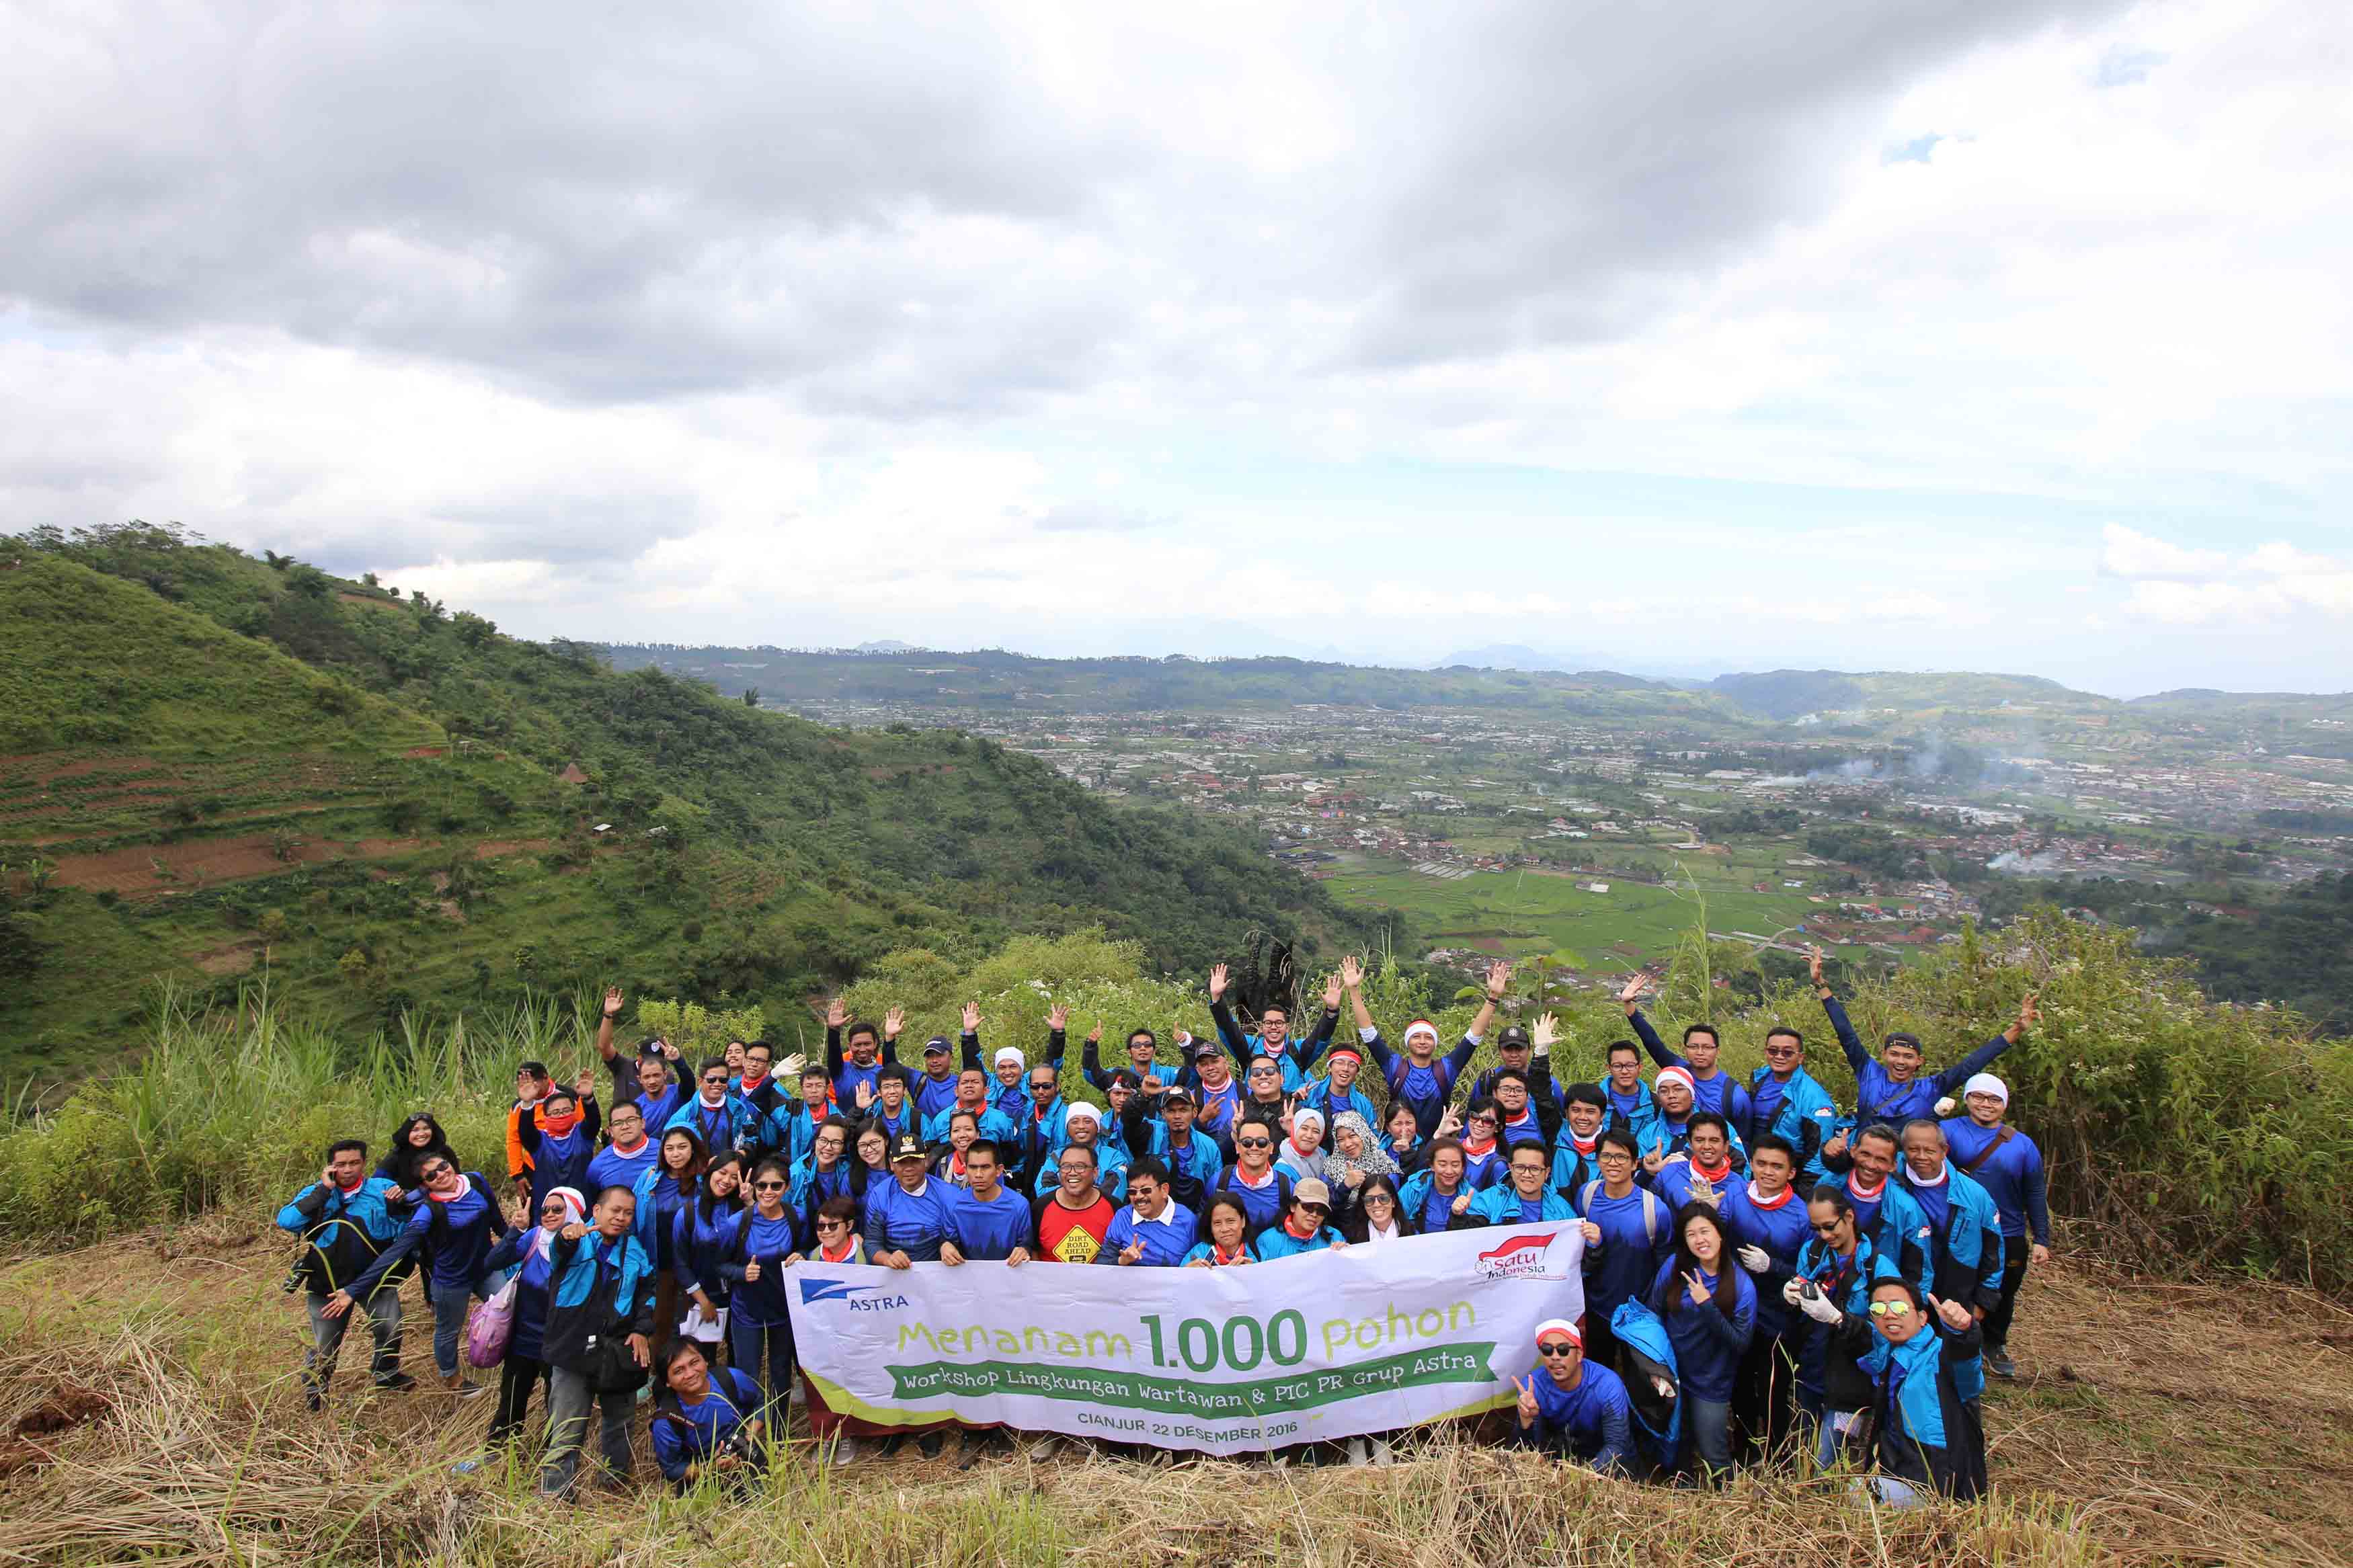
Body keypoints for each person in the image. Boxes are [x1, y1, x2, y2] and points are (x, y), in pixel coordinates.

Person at [343, 1151, 510, 1398]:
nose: (441, 1174)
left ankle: (506, 1358)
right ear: (425, 1185)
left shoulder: (475, 1181)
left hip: (486, 1268)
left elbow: (496, 1220)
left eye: (443, 1167)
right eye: (431, 1175)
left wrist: (515, 1246)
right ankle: (451, 1376)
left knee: (506, 1312)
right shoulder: (429, 1210)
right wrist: (353, 1290)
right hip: (451, 1280)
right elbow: (398, 1251)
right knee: (448, 1329)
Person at [538, 1186, 657, 1499]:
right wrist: (567, 1235)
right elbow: (559, 1250)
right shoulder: (576, 1242)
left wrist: (642, 1329)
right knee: (567, 1425)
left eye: (627, 1213)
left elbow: (648, 1292)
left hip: (617, 1348)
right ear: (597, 1211)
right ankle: (555, 1494)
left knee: (620, 1422)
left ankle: (613, 1487)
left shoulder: (635, 1251)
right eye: (614, 1210)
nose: (620, 1218)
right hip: (572, 1347)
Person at [276, 1140, 414, 1407]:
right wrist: (323, 1191)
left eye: (354, 1163)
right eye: (341, 1165)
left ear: (364, 1163)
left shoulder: (383, 1190)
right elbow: (287, 1221)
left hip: (373, 1280)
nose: (348, 1169)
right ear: (330, 1167)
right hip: (326, 1283)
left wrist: (398, 1209)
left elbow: (402, 1235)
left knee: (391, 1328)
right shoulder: (317, 1193)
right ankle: (317, 1393)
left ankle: (386, 1373)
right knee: (326, 1345)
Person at [1816, 962, 2038, 1126]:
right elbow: (1846, 1034)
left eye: (1908, 1056)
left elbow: (1973, 1064)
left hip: (1907, 1169)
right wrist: (1820, 984)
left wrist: (2016, 1029)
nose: (1900, 1061)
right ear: (1884, 1055)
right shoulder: (1868, 1072)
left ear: (1920, 1061)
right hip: (1864, 1163)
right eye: (1895, 1054)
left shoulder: (1932, 1087)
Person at [1936, 1073, 2050, 1378]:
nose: (1986, 1104)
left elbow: (2035, 1193)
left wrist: (2042, 1238)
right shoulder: (1946, 1131)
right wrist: (1933, 1112)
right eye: (1979, 1097)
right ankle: (1955, 1340)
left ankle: (1994, 1343)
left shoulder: (2022, 1145)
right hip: (1959, 1228)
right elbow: (1913, 1142)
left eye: (1994, 1099)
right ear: (1967, 1099)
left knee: (2003, 1291)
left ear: (2004, 1105)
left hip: (2008, 1232)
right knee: (1958, 1286)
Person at [1841, 1279, 1988, 1503]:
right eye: (1878, 1309)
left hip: (1941, 1486)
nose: (1889, 1315)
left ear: (1922, 1317)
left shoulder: (1941, 1356)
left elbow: (1967, 1366)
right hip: (1899, 1472)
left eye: (1899, 1307)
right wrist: (1836, 1319)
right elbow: (1864, 1335)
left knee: (1857, 1494)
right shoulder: (1890, 1355)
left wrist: (1962, 1333)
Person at [1783, 1185, 1897, 1471]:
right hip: (1812, 1370)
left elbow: (1888, 1334)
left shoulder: (1877, 1268)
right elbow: (1804, 1285)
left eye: (1830, 1226)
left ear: (1849, 1217)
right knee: (1804, 1456)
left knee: (1829, 1461)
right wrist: (1792, 1294)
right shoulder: (1813, 1252)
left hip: (1852, 1386)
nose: (1824, 1235)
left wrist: (1838, 1319)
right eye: (1816, 1228)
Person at [1718, 1133, 1811, 1464]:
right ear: (1751, 1165)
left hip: (1778, 1316)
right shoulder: (1735, 1195)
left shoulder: (1802, 1215)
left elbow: (1809, 1271)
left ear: (1791, 1173)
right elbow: (1718, 1236)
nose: (1768, 1172)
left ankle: (1776, 1453)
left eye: (1777, 1166)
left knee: (1773, 1387)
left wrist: (1773, 1267)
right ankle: (1743, 1444)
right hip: (1738, 1309)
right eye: (1761, 1164)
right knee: (1740, 1382)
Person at [1647, 1204, 1755, 1481]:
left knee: (1714, 1454)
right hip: (1674, 1375)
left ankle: (1728, 1504)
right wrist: (1655, 1368)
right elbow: (1653, 1313)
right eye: (1691, 1234)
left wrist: (1707, 1305)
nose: (1700, 1240)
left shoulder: (1742, 1286)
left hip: (1711, 1382)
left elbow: (1741, 1343)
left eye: (1705, 1231)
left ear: (1720, 1234)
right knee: (1677, 1445)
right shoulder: (1674, 1268)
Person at [1350, 954, 1505, 1140]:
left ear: (1435, 1043)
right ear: (1408, 1042)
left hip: (1437, 1149)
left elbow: (1472, 1037)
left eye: (1428, 1037)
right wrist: (1353, 990)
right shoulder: (1395, 1066)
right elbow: (1369, 1033)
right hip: (1400, 1147)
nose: (1422, 1041)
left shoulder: (1446, 1069)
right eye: (1416, 1037)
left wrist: (1493, 998)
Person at [481, 1185, 582, 1447]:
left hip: (559, 1343)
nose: (548, 1214)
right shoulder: (535, 1237)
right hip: (523, 1341)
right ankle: (498, 1450)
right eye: (545, 1209)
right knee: (511, 1400)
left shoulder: (585, 1245)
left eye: (557, 1210)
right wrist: (516, 1231)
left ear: (574, 1211)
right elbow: (492, 1263)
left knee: (556, 1405)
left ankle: (551, 1461)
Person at [1576, 1129, 1672, 1378]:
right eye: (1606, 1156)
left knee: (1639, 1381)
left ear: (1634, 1163)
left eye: (1621, 1157)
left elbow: (1665, 1265)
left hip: (1638, 1311)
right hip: (1595, 1308)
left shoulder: (1655, 1210)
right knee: (1599, 1375)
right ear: (1597, 1160)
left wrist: (1655, 1310)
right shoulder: (1586, 1195)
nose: (1613, 1163)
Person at [1895, 1118, 2006, 1325]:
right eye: (1913, 1149)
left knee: (1953, 1350)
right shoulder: (1891, 1183)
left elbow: (1993, 1248)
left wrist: (1984, 1300)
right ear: (1903, 1150)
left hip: (1957, 1286)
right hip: (1906, 1287)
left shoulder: (1974, 1195)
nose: (1921, 1157)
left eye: (1929, 1150)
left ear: (1944, 1150)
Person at [719, 1159, 804, 1419]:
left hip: (783, 1308)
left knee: (780, 1373)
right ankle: (751, 1430)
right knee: (748, 1375)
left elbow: (807, 1247)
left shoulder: (796, 1217)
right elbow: (719, 1265)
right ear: (753, 1187)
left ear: (787, 1187)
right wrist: (741, 1273)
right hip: (747, 1310)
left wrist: (801, 1255)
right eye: (762, 1185)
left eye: (776, 1186)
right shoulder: (737, 1223)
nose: (768, 1191)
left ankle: (778, 1430)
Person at [786, 1195, 869, 1462]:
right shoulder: (811, 1257)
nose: (826, 1232)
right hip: (823, 1336)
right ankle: (827, 1435)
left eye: (833, 1226)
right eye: (821, 1226)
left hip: (855, 1335)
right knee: (822, 1388)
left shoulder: (862, 1255)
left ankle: (850, 1434)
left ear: (850, 1226)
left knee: (851, 1385)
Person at [1621, 975, 1752, 1128]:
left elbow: (1744, 1138)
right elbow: (1651, 1041)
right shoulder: (1679, 1071)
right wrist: (1628, 1004)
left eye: (1707, 1047)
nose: (1700, 1052)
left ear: (1718, 1051)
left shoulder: (1733, 1095)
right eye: (1694, 1047)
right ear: (1685, 1050)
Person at [1510, 1319, 1634, 1475]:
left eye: (1563, 1350)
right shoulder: (1532, 1388)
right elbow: (1525, 1452)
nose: (1555, 1357)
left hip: (1604, 1468)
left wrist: (1578, 1478)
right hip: (1557, 1465)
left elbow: (1617, 1446)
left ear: (1579, 1354)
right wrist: (1526, 1422)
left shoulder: (1607, 1386)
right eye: (1548, 1350)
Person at [1745, 989, 1840, 1190]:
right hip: (1756, 1166)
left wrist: (1805, 1191)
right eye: (1773, 1051)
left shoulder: (1814, 1098)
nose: (1779, 1056)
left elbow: (1818, 1151)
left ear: (1801, 1057)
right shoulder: (1759, 1078)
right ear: (1766, 1052)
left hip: (1788, 1175)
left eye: (1788, 1052)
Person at [1828, 1124, 1935, 1298]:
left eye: (1881, 1159)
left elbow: (1919, 1271)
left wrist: (1912, 1308)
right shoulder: (1829, 1185)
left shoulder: (1907, 1209)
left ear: (1893, 1165)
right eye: (1865, 1154)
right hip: (1826, 1284)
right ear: (1853, 1150)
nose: (1871, 1164)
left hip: (1876, 1296)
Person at [649, 1339, 767, 1494]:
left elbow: (762, 1402)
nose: (690, 1374)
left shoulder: (731, 1379)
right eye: (679, 1371)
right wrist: (711, 1468)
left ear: (705, 1361)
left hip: (747, 1457)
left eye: (694, 1362)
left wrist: (750, 1434)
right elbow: (671, 1468)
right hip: (702, 1481)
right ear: (667, 1382)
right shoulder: (666, 1421)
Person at [631, 1127, 704, 1360]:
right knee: (659, 1319)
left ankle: (692, 1366)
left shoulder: (703, 1179)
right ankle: (656, 1370)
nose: (676, 1154)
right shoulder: (649, 1177)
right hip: (657, 1260)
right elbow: (632, 1214)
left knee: (690, 1320)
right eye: (669, 1148)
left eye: (682, 1147)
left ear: (693, 1148)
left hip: (692, 1263)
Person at [1207, 960, 1337, 1092]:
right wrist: (1217, 1000)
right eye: (1268, 1023)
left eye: (1279, 1023)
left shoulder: (1298, 1052)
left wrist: (1331, 1011)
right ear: (1261, 1028)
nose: (1274, 1027)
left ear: (1288, 1028)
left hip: (1291, 1110)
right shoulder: (1249, 1049)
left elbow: (1321, 1036)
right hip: (1254, 1110)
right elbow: (1229, 1030)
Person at [673, 1153, 746, 1352]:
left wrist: (749, 1204)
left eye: (734, 1177)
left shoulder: (742, 1210)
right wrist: (704, 1301)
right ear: (711, 1173)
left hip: (738, 1296)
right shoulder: (688, 1213)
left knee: (739, 1354)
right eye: (722, 1173)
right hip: (701, 1295)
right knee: (702, 1357)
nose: (727, 1181)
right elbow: (680, 1263)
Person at [1117, 1084, 1222, 1214]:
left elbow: (1215, 1188)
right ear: (1163, 1114)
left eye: (1183, 1110)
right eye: (1171, 1111)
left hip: (1194, 1217)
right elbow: (1129, 1121)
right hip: (1152, 1214)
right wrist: (1143, 1096)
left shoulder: (1209, 1146)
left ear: (1194, 1113)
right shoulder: (1151, 1133)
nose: (1177, 1116)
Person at [866, 1130, 959, 1266]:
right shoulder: (880, 1194)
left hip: (937, 1271)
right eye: (902, 1162)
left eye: (915, 1161)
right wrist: (887, 1259)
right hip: (895, 1272)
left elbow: (957, 1238)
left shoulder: (949, 1194)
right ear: (892, 1164)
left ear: (926, 1161)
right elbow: (871, 1243)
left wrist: (946, 1245)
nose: (909, 1168)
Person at [513, 1075, 600, 1210]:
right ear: (546, 1117)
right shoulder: (539, 1141)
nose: (561, 1115)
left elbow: (594, 1120)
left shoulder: (583, 1134)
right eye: (555, 1112)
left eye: (566, 1110)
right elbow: (525, 1131)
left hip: (583, 1206)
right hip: (549, 1210)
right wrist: (527, 1104)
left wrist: (588, 1098)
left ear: (574, 1111)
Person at [1460, 1141, 1587, 1229]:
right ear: (1511, 1168)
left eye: (1535, 1169)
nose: (1527, 1174)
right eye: (1520, 1167)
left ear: (1547, 1172)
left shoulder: (1563, 1210)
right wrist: (1457, 1216)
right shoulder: (1489, 1201)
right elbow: (1467, 1242)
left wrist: (1593, 1244)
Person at [944, 1140, 1033, 1265]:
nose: (979, 1174)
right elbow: (948, 1242)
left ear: (999, 1170)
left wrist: (1024, 1250)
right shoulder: (953, 1204)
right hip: (966, 1280)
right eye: (973, 1167)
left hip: (1008, 1279)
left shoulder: (1019, 1206)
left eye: (985, 1167)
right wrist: (945, 1246)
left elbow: (1026, 1244)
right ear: (965, 1169)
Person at [1032, 1143, 1120, 1263]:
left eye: (1080, 1166)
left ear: (1095, 1172)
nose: (1072, 1172)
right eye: (1066, 1167)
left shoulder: (1114, 1207)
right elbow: (1032, 1251)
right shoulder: (1040, 1207)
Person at [1102, 1157, 1198, 1266]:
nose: (1138, 1197)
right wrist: (1122, 1261)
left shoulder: (1187, 1220)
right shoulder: (1123, 1217)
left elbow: (1197, 1262)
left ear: (1164, 1190)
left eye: (1146, 1190)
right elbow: (1103, 1262)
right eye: (1132, 1191)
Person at [1210, 1115, 1293, 1239]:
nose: (1254, 1148)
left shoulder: (1286, 1186)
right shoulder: (1219, 1182)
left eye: (1261, 1143)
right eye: (1247, 1142)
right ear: (1238, 1147)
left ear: (1271, 1148)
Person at [1648, 1112, 1741, 1212]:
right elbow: (1648, 1214)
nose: (1706, 1146)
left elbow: (1742, 1227)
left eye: (1714, 1140)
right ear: (1690, 1144)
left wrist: (1715, 1211)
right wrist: (1648, 1174)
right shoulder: (1668, 1174)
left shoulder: (1739, 1187)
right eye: (1699, 1140)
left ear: (1726, 1146)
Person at [1322, 1110, 1399, 1232]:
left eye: (1352, 1136)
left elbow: (1393, 1205)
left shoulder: (1384, 1164)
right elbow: (1326, 1209)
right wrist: (1345, 1186)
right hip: (1344, 1236)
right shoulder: (1331, 1166)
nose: (1347, 1144)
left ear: (1363, 1133)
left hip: (1380, 1233)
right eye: (1340, 1139)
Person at [668, 1058, 754, 1158]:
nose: (717, 1084)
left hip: (729, 1170)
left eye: (723, 1080)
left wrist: (741, 1154)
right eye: (711, 1080)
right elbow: (668, 1145)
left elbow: (752, 1135)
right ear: (700, 1081)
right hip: (696, 1171)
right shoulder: (685, 1114)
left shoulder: (738, 1109)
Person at [1043, 1101, 1127, 1202]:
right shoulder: (1056, 1157)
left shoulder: (1114, 1157)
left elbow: (1116, 1193)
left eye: (1087, 1121)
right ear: (1067, 1128)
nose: (1081, 1126)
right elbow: (1043, 1189)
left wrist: (1072, 1192)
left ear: (1097, 1127)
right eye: (1074, 1122)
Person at [824, 998, 900, 1106]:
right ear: (849, 1046)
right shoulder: (840, 1071)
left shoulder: (883, 1072)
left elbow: (892, 1070)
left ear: (875, 1044)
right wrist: (833, 1030)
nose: (863, 1049)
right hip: (847, 1122)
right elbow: (834, 1054)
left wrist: (890, 1038)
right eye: (857, 1045)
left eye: (867, 1044)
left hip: (878, 1123)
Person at [787, 1115, 857, 1225]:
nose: (828, 1147)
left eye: (836, 1142)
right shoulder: (797, 1173)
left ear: (844, 1147)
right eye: (823, 1140)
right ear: (815, 1141)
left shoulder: (847, 1173)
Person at [1254, 1178, 1348, 1258]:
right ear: (1293, 1206)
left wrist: (1347, 1255)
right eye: (1308, 1207)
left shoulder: (1335, 1237)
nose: (1314, 1215)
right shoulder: (1268, 1240)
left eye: (1321, 1211)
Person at [1398, 1139, 1474, 1237]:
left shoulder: (1470, 1195)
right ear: (1432, 1165)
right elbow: (1397, 1222)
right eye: (1442, 1164)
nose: (1449, 1171)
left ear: (1463, 1168)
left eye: (1455, 1165)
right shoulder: (1414, 1189)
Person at [506, 1059, 557, 1203]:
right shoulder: (519, 1105)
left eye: (534, 1083)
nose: (529, 1088)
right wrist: (517, 1174)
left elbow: (582, 1132)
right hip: (534, 1167)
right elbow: (513, 1139)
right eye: (523, 1083)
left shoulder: (567, 1096)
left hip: (565, 1163)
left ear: (546, 1078)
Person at [767, 1062, 836, 1168]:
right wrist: (773, 1076)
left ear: (827, 1089)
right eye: (808, 1086)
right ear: (801, 1089)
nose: (814, 1091)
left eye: (819, 1086)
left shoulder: (838, 1117)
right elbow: (757, 1097)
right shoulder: (791, 1111)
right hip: (794, 1172)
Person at [1551, 1083, 1610, 1202]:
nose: (1583, 1117)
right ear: (1567, 1113)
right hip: (1562, 1216)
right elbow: (1543, 1100)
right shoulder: (1553, 1139)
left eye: (1590, 1111)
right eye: (1576, 1110)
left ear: (1603, 1115)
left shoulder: (1614, 1146)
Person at [586, 1101, 660, 1194]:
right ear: (611, 1130)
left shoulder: (664, 1151)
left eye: (631, 1120)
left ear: (643, 1123)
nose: (625, 1127)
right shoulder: (598, 1166)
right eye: (618, 1123)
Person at [376, 1113, 456, 1191]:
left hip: (448, 1195)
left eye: (426, 1128)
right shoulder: (396, 1156)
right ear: (407, 1133)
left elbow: (457, 1176)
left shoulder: (444, 1150)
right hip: (409, 1201)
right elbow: (376, 1184)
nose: (421, 1134)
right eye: (415, 1130)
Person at [1599, 1040, 1657, 1142]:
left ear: (1640, 1067)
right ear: (1609, 1068)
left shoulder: (1654, 1103)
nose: (1624, 1071)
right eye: (1617, 1066)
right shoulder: (1595, 1100)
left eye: (1630, 1065)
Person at [1183, 1192, 1259, 1266]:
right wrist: (1188, 1274)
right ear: (1210, 1227)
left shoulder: (1260, 1255)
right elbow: (1177, 1277)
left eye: (1231, 1221)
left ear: (1243, 1221)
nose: (1225, 1229)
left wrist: (1254, 1272)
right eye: (1217, 1223)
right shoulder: (1197, 1255)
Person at [855, 1063, 919, 1146]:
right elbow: (850, 1138)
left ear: (905, 1090)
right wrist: (859, 1110)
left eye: (897, 1086)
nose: (892, 1091)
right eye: (886, 1087)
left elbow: (929, 1146)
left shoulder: (917, 1118)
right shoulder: (869, 1114)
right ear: (879, 1092)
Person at [1342, 1174, 1408, 1244]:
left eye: (1384, 1198)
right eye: (1369, 1199)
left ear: (1393, 1202)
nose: (1377, 1205)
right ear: (1363, 1204)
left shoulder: (1411, 1233)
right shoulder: (1353, 1236)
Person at [912, 1034, 963, 1120]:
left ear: (951, 1058)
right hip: (923, 1133)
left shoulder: (961, 1083)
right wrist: (890, 1039)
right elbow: (892, 1069)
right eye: (930, 1056)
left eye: (939, 1055)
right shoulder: (917, 1080)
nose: (934, 1061)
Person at [1275, 1106, 1330, 1184]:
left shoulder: (1324, 1158)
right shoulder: (1281, 1170)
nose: (1309, 1135)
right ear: (1295, 1129)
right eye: (1304, 1128)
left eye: (1316, 1131)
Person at [1380, 1100, 1427, 1176]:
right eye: (1398, 1124)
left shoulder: (1424, 1151)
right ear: (1388, 1127)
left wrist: (1407, 1154)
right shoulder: (1379, 1148)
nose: (1404, 1129)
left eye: (1409, 1123)